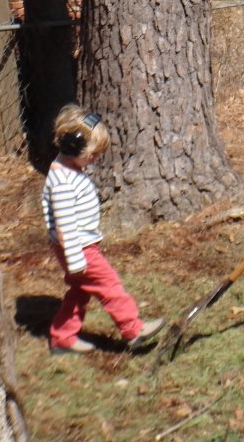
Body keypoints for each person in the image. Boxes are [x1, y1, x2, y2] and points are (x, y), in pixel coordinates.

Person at [42, 104, 165, 354]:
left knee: (80, 290)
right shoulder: (63, 183)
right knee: (110, 286)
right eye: (93, 154)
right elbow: (65, 226)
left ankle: (63, 336)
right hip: (79, 250)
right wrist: (76, 260)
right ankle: (133, 329)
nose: (96, 158)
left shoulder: (67, 169)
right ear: (72, 145)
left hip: (78, 248)